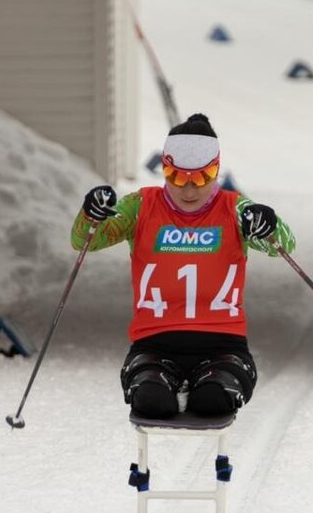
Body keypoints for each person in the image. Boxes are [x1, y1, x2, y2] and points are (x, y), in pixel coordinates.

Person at [71, 113, 296, 420]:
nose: (189, 190)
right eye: (177, 177)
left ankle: (209, 386)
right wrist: (92, 213)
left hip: (223, 345)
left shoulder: (234, 209)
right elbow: (86, 241)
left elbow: (284, 245)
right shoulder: (141, 206)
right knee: (152, 403)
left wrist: (268, 223)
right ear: (164, 169)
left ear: (215, 170)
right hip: (154, 345)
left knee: (212, 402)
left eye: (201, 178)